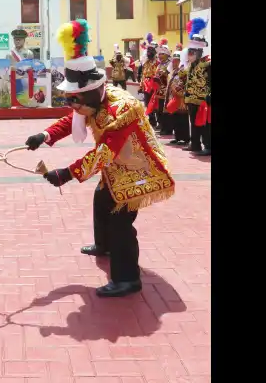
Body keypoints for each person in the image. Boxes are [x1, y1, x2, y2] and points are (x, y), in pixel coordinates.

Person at [23, 18, 175, 298]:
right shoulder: (93, 100)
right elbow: (74, 118)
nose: (72, 104)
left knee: (120, 221)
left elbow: (103, 153)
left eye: (75, 98)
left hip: (139, 169)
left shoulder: (122, 109)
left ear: (92, 89)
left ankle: (128, 279)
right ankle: (103, 245)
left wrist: (65, 173)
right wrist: (44, 136)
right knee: (101, 200)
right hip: (118, 167)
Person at [184, 18, 211, 156]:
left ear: (199, 50)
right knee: (193, 123)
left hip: (203, 99)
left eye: (192, 51)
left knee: (204, 124)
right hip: (191, 99)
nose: (190, 54)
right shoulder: (191, 65)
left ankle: (208, 145)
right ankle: (195, 144)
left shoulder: (207, 63)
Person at [165, 50, 190, 146]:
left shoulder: (184, 71)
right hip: (174, 98)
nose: (174, 63)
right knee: (175, 118)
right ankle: (178, 137)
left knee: (182, 119)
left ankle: (185, 138)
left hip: (181, 99)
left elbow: (185, 85)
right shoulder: (174, 71)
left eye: (177, 61)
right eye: (173, 61)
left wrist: (178, 92)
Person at [140, 34, 160, 128]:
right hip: (146, 85)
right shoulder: (146, 62)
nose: (149, 51)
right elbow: (143, 74)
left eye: (151, 50)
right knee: (147, 104)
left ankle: (159, 122)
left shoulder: (158, 62)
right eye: (148, 50)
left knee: (156, 105)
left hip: (155, 85)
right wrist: (141, 85)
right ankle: (152, 121)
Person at [153, 41, 172, 134]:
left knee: (166, 110)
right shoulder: (160, 64)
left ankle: (168, 129)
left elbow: (170, 76)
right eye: (159, 54)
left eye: (162, 54)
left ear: (167, 54)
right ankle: (162, 126)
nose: (160, 55)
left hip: (167, 90)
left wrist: (163, 76)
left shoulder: (170, 64)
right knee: (160, 109)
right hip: (160, 90)